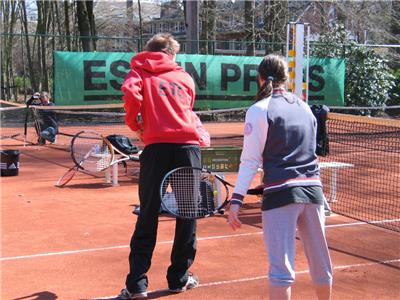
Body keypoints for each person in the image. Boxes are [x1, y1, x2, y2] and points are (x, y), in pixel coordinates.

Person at [227, 54, 333, 300]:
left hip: (281, 193)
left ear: (260, 78)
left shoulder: (258, 110)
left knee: (281, 270)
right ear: (287, 78)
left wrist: (236, 200)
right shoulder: (305, 108)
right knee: (320, 262)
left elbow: (250, 161)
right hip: (314, 191)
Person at [118, 33, 209, 299]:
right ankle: (179, 278)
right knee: (187, 214)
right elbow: (188, 109)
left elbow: (129, 93)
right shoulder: (184, 77)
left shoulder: (140, 69)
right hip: (187, 148)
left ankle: (136, 285)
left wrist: (136, 125)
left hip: (156, 148)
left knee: (148, 214)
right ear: (172, 53)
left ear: (150, 50)